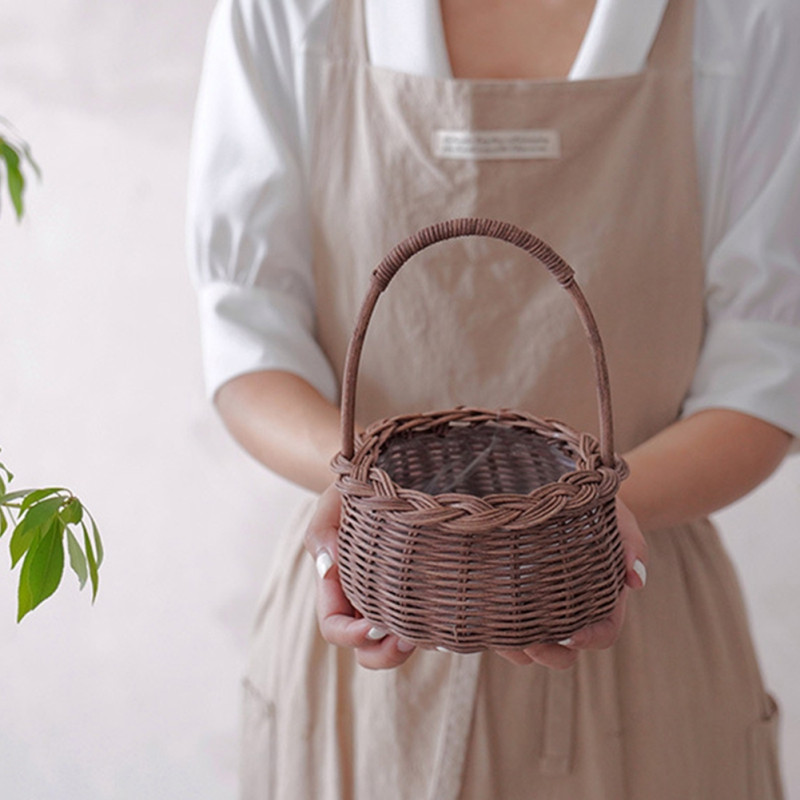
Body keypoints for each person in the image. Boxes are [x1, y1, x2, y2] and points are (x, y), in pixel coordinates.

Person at [187, 0, 800, 797]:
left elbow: (766, 370)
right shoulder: (287, 13)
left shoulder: (745, 20)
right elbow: (246, 335)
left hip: (641, 654)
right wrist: (368, 496)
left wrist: (592, 520)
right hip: (371, 610)